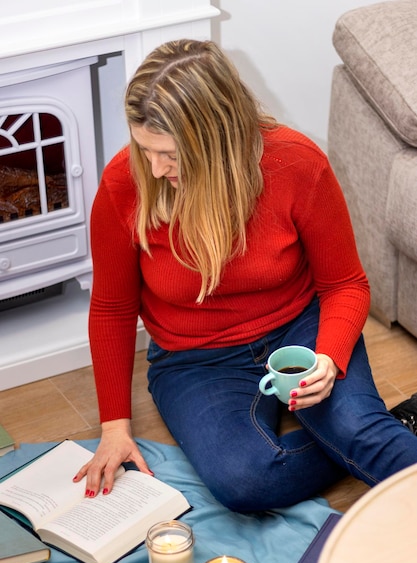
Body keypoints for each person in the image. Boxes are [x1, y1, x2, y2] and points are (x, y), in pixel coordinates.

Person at [74, 39, 417, 512]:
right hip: (194, 360)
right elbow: (111, 310)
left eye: (170, 153)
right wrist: (114, 427)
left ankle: (370, 436)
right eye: (144, 148)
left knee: (360, 430)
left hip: (301, 328)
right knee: (247, 483)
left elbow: (345, 285)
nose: (154, 167)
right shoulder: (125, 183)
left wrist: (329, 358)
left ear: (216, 137)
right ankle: (385, 433)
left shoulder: (296, 163)